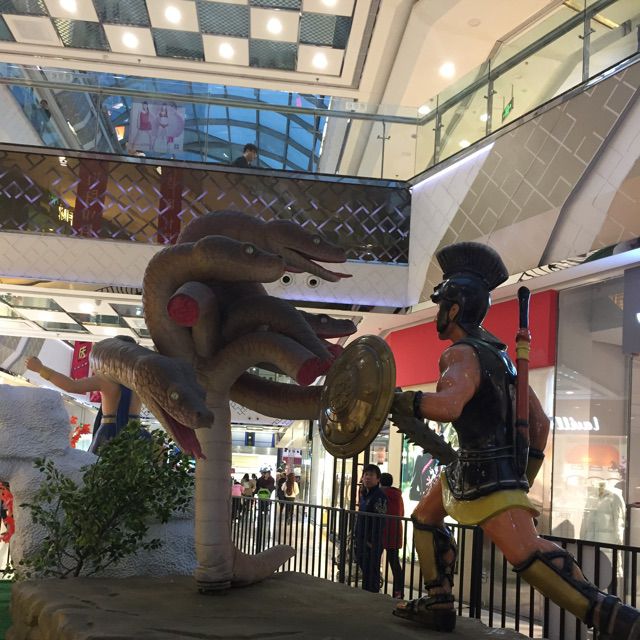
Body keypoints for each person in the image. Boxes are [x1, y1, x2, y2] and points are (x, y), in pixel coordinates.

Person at [390, 241, 640, 638]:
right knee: (425, 516)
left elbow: (450, 406)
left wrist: (403, 400)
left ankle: (615, 619)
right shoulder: (503, 359)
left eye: (442, 306)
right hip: (476, 468)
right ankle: (438, 602)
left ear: (453, 309)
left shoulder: (460, 355)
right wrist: (523, 473)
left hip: (483, 474)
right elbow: (539, 424)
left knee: (527, 553)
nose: (439, 314)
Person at [24, 335, 143, 455]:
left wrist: (40, 369)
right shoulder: (140, 381)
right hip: (136, 435)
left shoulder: (106, 379)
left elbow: (71, 386)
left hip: (109, 435)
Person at [354, 463, 387, 593]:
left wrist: (372, 541)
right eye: (366, 474)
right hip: (361, 541)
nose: (367, 477)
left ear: (378, 479)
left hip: (371, 543)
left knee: (371, 573)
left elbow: (380, 520)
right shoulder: (365, 495)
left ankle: (372, 598)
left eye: (371, 475)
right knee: (366, 572)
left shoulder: (379, 496)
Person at [380, 472, 405, 598]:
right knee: (394, 563)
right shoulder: (398, 495)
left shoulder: (381, 494)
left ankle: (372, 585)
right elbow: (401, 512)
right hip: (395, 531)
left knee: (374, 559)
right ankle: (398, 591)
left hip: (382, 530)